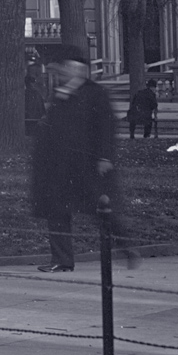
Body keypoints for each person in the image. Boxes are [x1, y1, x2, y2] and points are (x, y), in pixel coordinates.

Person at [29, 55, 132, 273]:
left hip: (87, 166)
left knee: (102, 210)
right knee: (56, 211)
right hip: (60, 168)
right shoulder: (61, 93)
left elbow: (106, 126)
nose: (65, 72)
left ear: (81, 70)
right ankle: (62, 260)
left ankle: (125, 245)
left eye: (69, 68)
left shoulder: (95, 94)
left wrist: (105, 157)